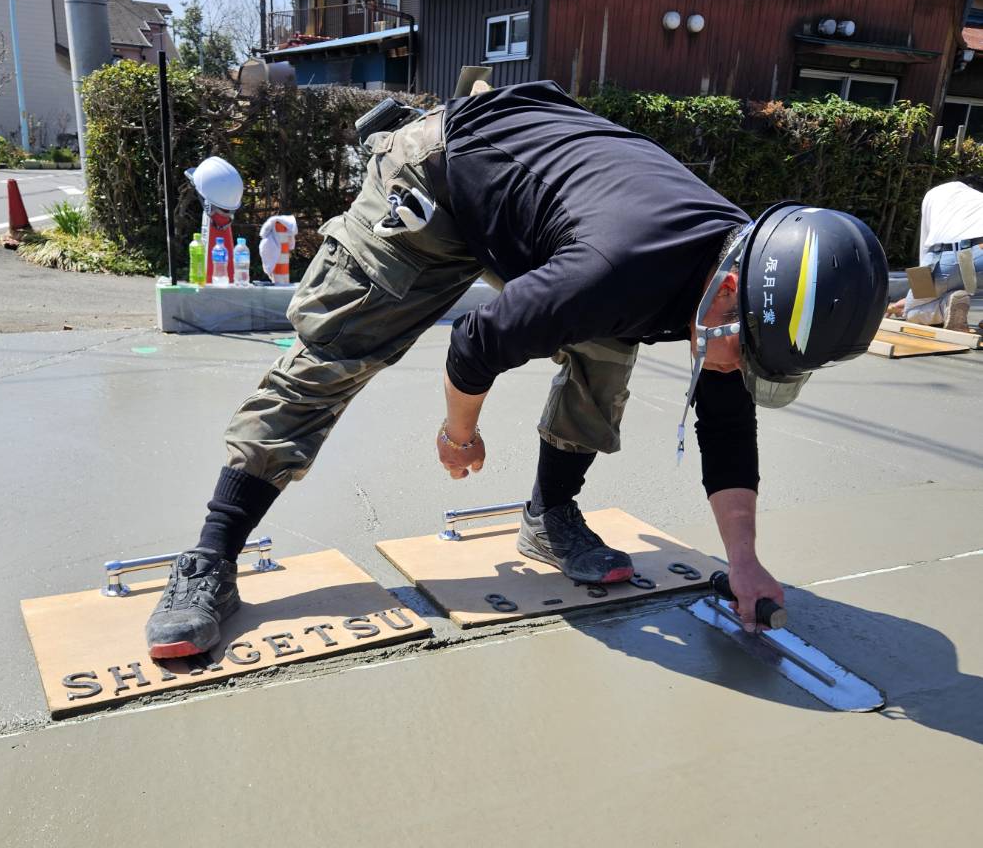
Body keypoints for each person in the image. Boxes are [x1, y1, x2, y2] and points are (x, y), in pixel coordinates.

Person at [146, 80, 887, 655]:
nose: (734, 370)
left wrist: (746, 559)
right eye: (743, 354)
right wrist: (459, 435)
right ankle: (211, 554)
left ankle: (548, 514)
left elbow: (727, 419)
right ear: (730, 289)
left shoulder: (733, 271)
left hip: (541, 203)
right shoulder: (617, 269)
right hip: (440, 174)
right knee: (340, 345)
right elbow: (474, 342)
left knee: (604, 348)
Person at [887, 176, 983, 332]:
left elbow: (926, 248)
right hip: (977, 258)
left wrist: (915, 296)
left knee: (910, 312)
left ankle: (944, 306)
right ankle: (946, 300)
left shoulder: (934, 194)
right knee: (960, 280)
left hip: (948, 260)